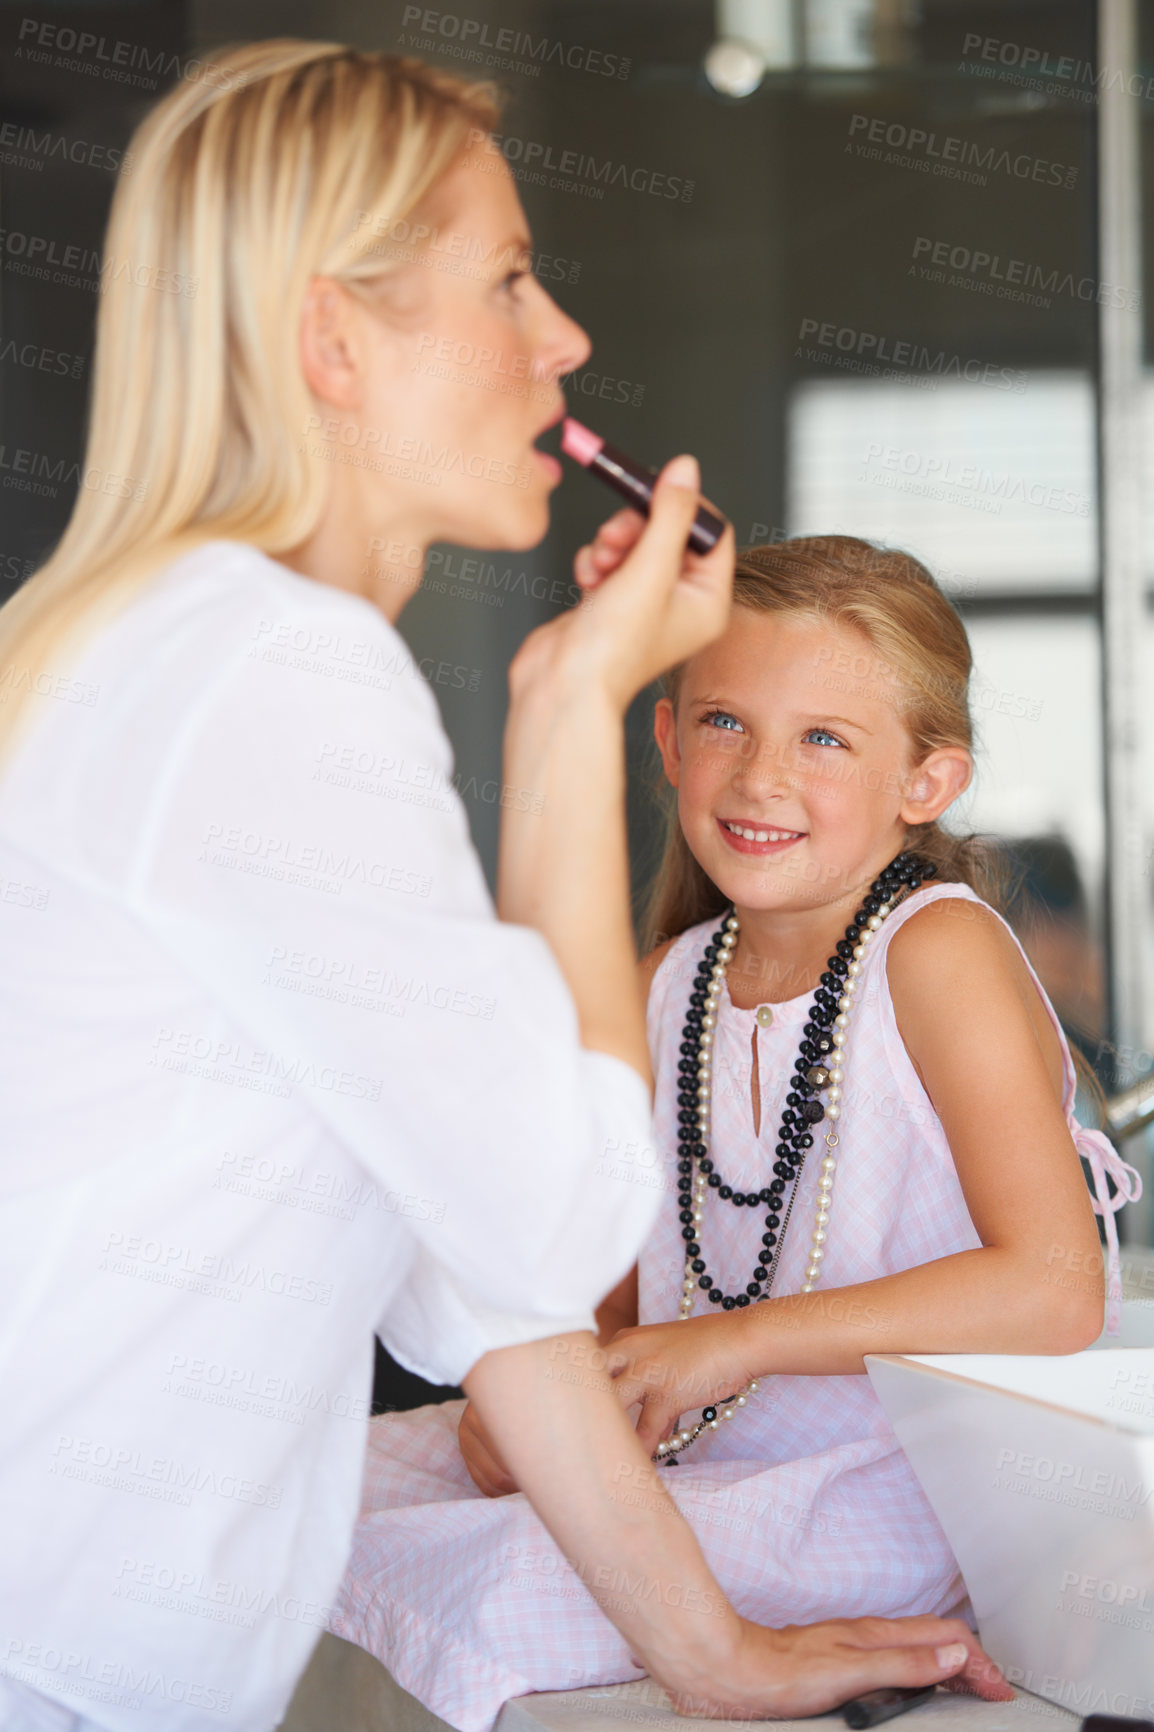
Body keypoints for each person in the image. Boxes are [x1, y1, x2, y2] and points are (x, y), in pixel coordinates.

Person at [0, 43, 1008, 1732]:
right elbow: (555, 1221)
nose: (563, 341)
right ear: (332, 339)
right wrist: (566, 719)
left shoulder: (163, 647)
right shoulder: (269, 675)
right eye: (507, 281)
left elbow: (482, 1268)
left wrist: (706, 1650)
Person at [330, 534, 1140, 1731]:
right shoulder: (667, 982)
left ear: (924, 783)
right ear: (665, 740)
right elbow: (598, 1301)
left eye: (823, 738)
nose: (760, 775)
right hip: (692, 1462)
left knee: (494, 1575)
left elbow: (1054, 1289)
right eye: (723, 723)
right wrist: (535, 1412)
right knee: (302, 1490)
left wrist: (733, 1344)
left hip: (896, 1492)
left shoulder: (936, 951)